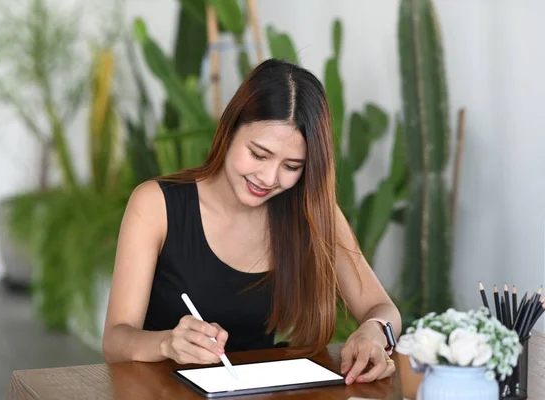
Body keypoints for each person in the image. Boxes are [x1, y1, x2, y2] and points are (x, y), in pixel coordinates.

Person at [102, 58, 401, 385]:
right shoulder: (156, 204)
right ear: (229, 130)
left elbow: (382, 308)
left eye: (291, 166)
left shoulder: (311, 211)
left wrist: (374, 332)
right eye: (259, 154)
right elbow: (116, 340)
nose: (269, 178)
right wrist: (166, 342)